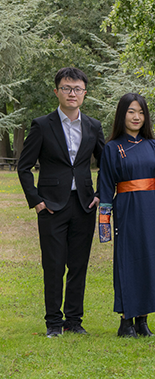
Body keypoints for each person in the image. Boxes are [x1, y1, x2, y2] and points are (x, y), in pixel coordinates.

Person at [18, 67, 105, 337]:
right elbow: (24, 166)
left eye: (77, 89)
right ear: (57, 91)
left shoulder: (93, 126)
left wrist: (100, 194)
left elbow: (106, 164)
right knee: (54, 265)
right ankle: (54, 323)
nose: (72, 93)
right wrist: (36, 200)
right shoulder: (42, 125)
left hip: (84, 205)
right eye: (67, 88)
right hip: (51, 206)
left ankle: (74, 321)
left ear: (85, 93)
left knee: (78, 265)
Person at [98, 93, 155, 338]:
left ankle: (143, 321)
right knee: (129, 262)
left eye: (141, 112)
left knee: (150, 262)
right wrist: (104, 226)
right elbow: (105, 187)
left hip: (152, 212)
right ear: (121, 115)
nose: (136, 117)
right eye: (131, 112)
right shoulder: (112, 148)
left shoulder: (154, 147)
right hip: (127, 211)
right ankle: (126, 322)